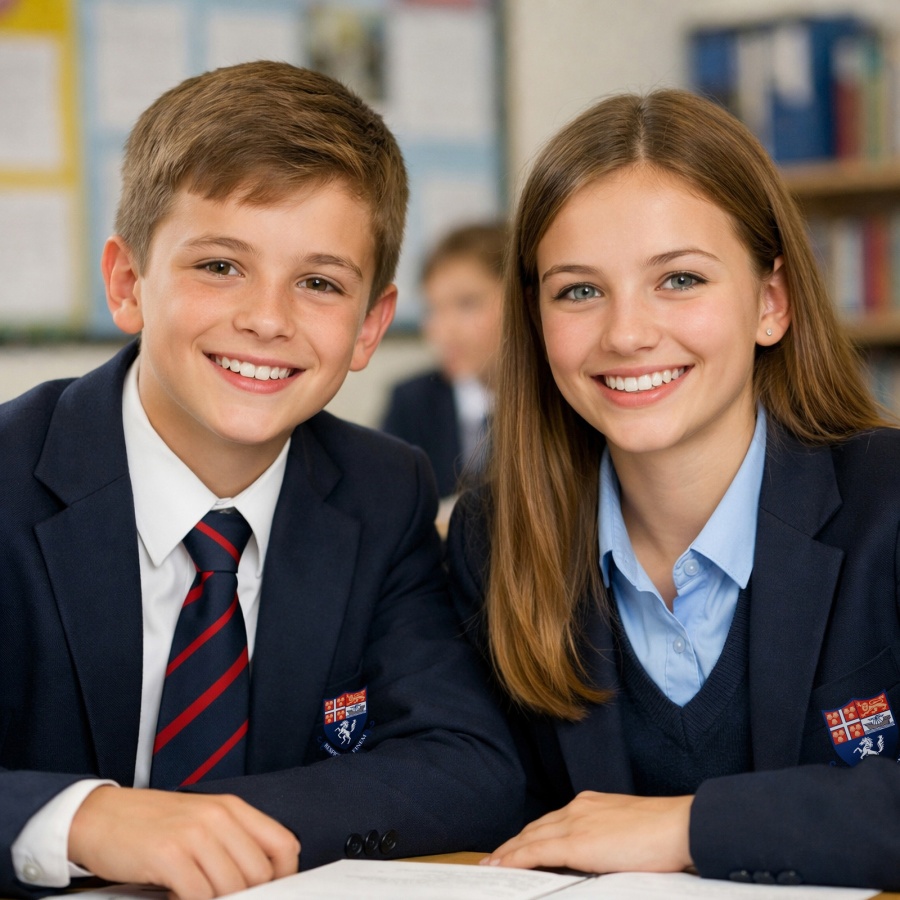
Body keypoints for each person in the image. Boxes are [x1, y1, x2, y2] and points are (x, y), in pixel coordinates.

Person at [0, 61, 523, 900]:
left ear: (369, 328)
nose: (268, 319)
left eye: (319, 283)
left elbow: (468, 767)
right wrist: (87, 820)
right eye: (220, 266)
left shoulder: (382, 491)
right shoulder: (10, 476)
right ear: (129, 285)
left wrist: (197, 823)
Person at [447, 88, 900, 891]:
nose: (627, 333)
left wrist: (690, 826)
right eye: (579, 291)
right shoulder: (494, 536)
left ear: (771, 303)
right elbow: (474, 793)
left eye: (680, 279)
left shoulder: (886, 500)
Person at [382, 221, 506, 500]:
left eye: (466, 304)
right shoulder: (411, 403)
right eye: (433, 309)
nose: (443, 330)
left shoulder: (558, 401)